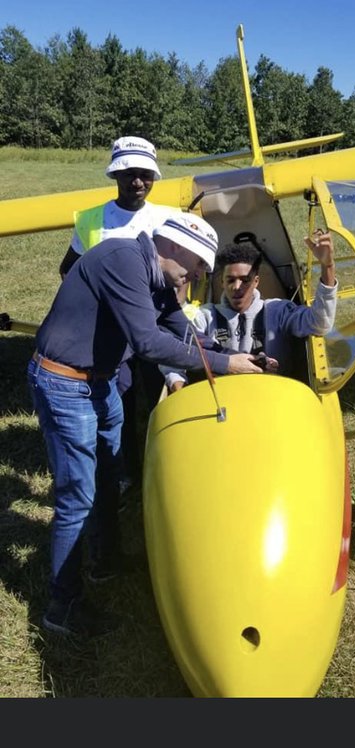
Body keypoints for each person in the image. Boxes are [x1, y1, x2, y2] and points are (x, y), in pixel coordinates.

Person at [29, 211, 267, 641]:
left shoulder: (158, 278)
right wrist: (222, 364)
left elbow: (180, 330)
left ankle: (105, 561)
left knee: (109, 475)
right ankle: (62, 606)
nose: (200, 276)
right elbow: (148, 343)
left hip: (100, 382)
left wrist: (235, 356)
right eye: (199, 265)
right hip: (65, 383)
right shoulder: (123, 261)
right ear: (175, 247)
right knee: (77, 497)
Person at [59, 135, 182, 487]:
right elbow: (69, 269)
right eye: (129, 174)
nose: (138, 182)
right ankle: (127, 471)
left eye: (146, 174)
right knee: (120, 402)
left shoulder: (167, 218)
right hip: (113, 331)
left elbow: (181, 276)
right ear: (115, 175)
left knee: (164, 397)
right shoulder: (91, 220)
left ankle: (166, 470)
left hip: (156, 325)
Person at [161, 230, 338, 393]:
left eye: (245, 280)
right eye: (230, 280)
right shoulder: (205, 317)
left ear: (256, 282)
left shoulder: (278, 311)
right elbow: (172, 353)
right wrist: (179, 389)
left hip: (276, 398)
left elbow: (319, 323)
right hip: (222, 403)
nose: (237, 287)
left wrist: (327, 267)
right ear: (222, 282)